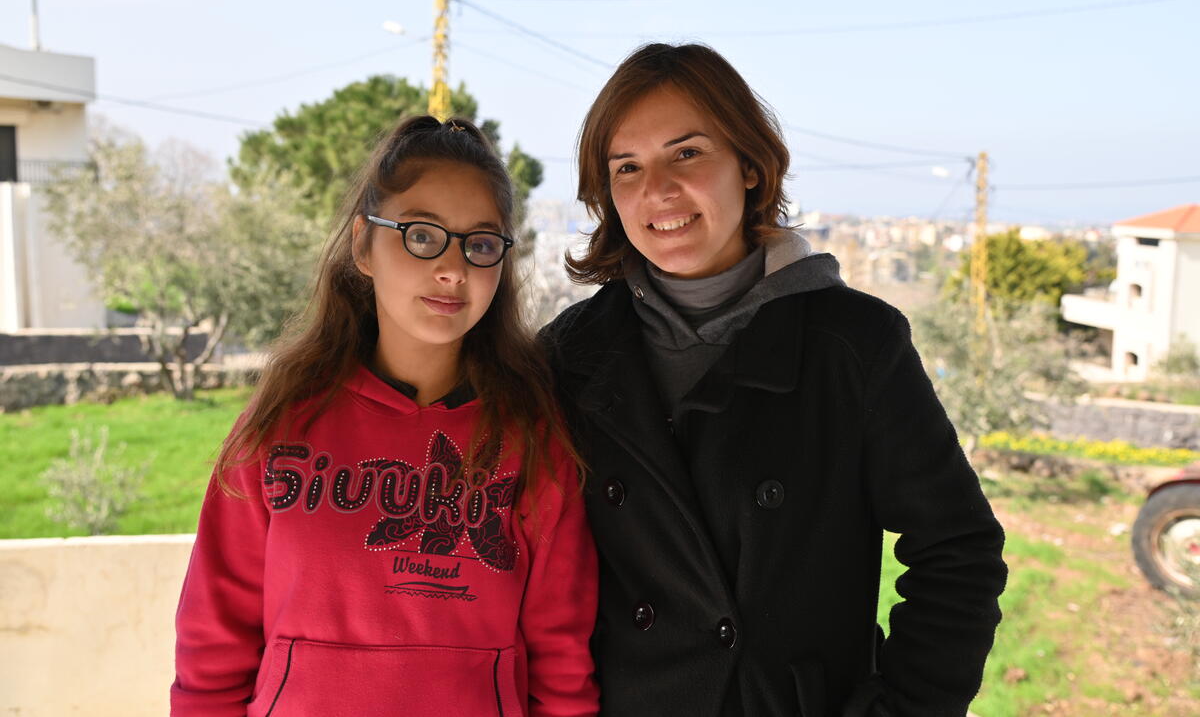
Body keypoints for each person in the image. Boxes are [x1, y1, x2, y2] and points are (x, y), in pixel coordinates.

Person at [540, 43, 1007, 717]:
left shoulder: (855, 346)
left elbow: (959, 552)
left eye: (688, 153)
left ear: (752, 166)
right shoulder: (569, 357)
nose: (659, 191)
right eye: (628, 167)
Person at [172, 116, 598, 717]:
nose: (453, 268)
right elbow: (212, 648)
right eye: (421, 235)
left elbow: (562, 665)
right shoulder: (281, 425)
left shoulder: (534, 441)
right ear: (361, 246)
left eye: (479, 243)